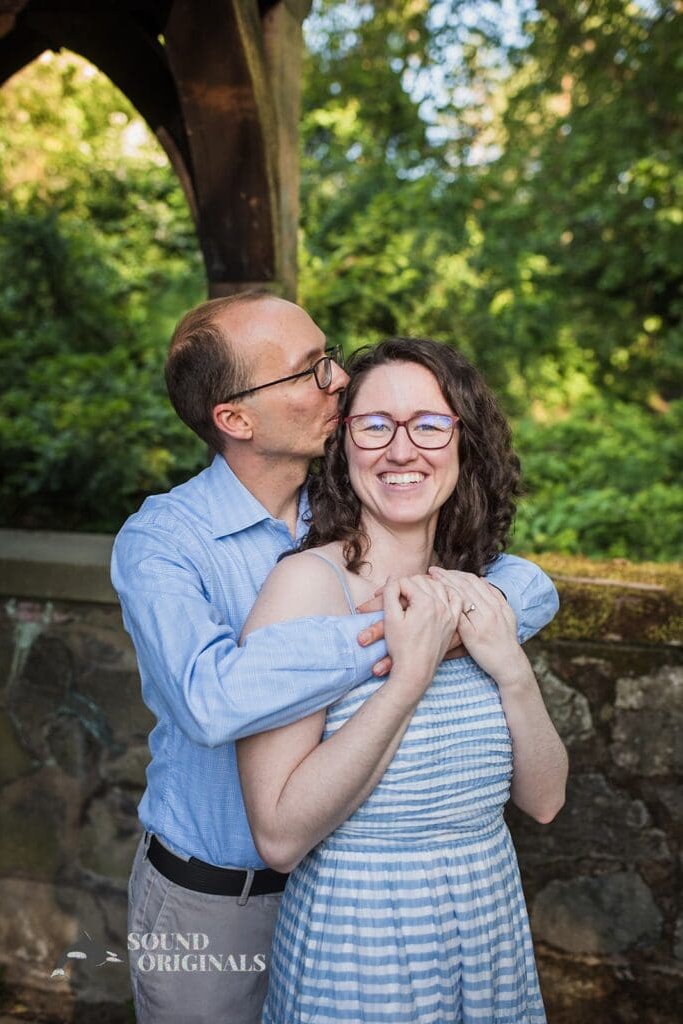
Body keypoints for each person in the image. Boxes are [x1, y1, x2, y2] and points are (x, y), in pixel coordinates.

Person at [111, 293, 560, 1024]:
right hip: (218, 899)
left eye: (330, 358)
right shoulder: (165, 542)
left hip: (344, 888)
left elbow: (522, 583)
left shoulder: (349, 505)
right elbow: (210, 700)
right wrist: (398, 633)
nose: (339, 380)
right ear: (236, 419)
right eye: (309, 370)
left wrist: (459, 618)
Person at [237, 336, 568, 1024]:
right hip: (363, 941)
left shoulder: (479, 590)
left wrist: (512, 670)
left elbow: (544, 802)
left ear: (464, 443)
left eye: (429, 424)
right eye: (375, 425)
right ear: (343, 446)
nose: (401, 449)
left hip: (486, 925)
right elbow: (279, 837)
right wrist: (405, 681)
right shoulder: (306, 589)